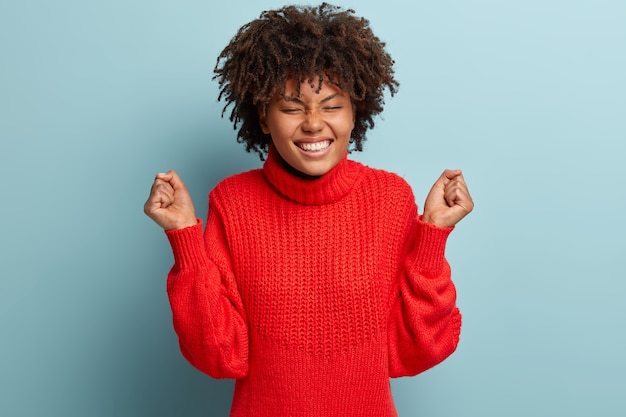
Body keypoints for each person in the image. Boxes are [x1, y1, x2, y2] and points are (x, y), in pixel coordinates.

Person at [144, 3, 473, 416]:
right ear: (263, 116)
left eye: (332, 106)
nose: (314, 123)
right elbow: (221, 356)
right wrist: (185, 239)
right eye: (292, 107)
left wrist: (432, 237)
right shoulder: (232, 202)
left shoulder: (390, 198)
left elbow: (414, 351)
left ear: (356, 112)